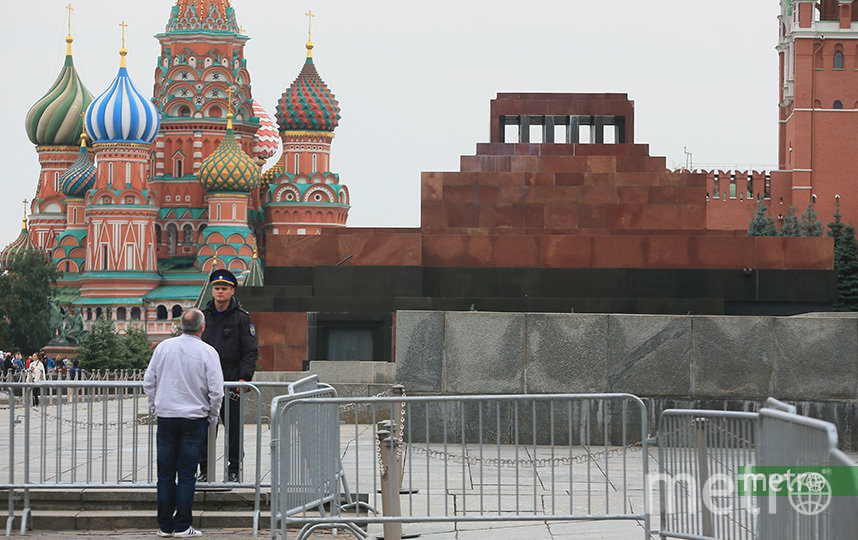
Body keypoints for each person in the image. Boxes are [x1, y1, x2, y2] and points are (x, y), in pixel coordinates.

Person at [144, 308, 224, 538]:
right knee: (187, 473)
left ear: (181, 326)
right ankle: (182, 526)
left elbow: (149, 382)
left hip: (167, 417)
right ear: (202, 327)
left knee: (165, 474)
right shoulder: (208, 352)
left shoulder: (163, 348)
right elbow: (216, 391)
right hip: (194, 419)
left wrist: (154, 407)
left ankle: (164, 526)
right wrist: (213, 416)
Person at [198, 269, 258, 483]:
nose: (220, 292)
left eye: (224, 288)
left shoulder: (242, 318)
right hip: (205, 380)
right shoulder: (203, 317)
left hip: (231, 378)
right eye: (217, 288)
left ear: (232, 291)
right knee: (203, 427)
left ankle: (233, 469)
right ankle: (204, 469)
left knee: (233, 428)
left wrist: (244, 379)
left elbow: (250, 351)